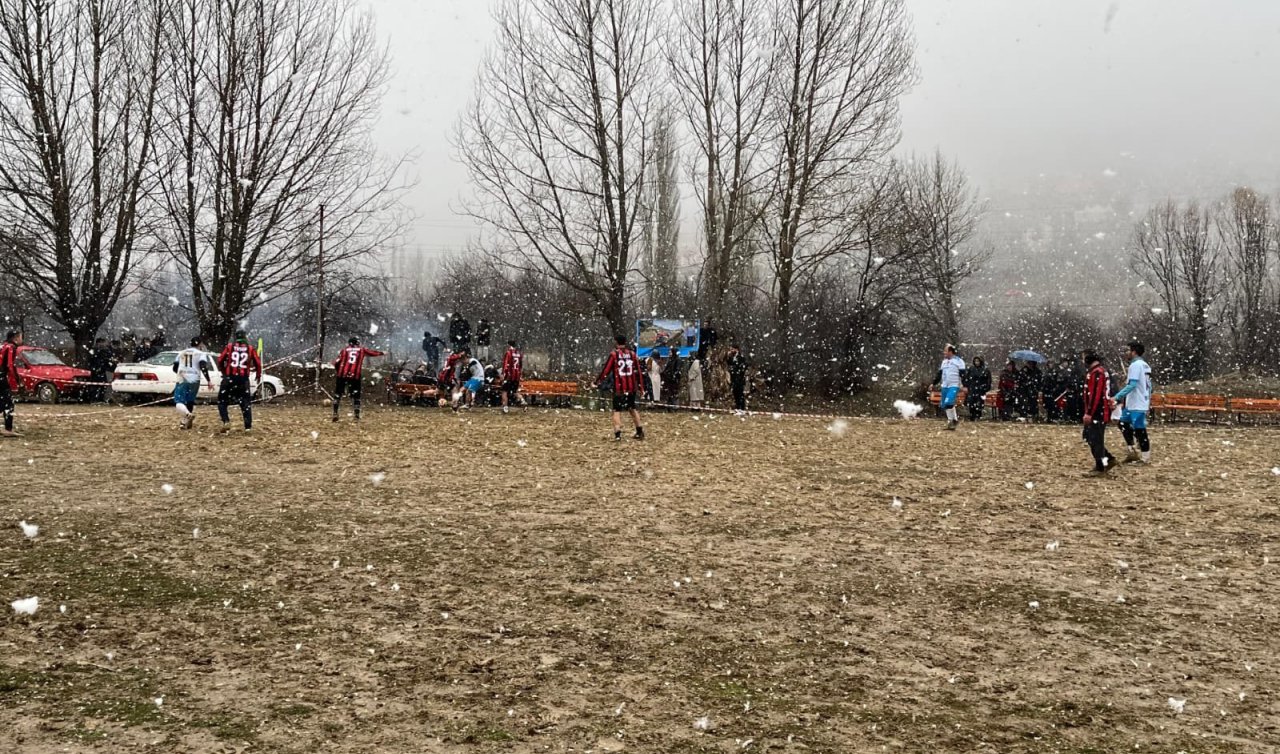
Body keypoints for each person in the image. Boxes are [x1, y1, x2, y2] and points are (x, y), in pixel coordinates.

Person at [595, 334, 645, 441]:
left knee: (616, 410)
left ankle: (618, 434)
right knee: (632, 409)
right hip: (631, 388)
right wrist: (641, 387)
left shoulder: (614, 355)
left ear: (616, 342)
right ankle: (639, 431)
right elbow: (639, 373)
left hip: (619, 389)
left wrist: (597, 382)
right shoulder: (632, 354)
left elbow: (605, 371)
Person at [1114, 340, 1153, 464]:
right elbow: (1149, 385)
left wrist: (1117, 397)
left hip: (1137, 403)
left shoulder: (1135, 365)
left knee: (1140, 429)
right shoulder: (1144, 365)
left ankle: (1145, 457)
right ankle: (1132, 450)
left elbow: (1132, 385)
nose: (1126, 353)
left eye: (1128, 350)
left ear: (1134, 352)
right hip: (1135, 402)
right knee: (1122, 424)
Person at [216, 330, 262, 433]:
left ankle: (226, 421)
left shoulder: (229, 347)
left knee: (222, 401)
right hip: (243, 379)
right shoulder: (250, 348)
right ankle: (248, 427)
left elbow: (220, 360)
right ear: (245, 337)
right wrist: (258, 375)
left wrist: (224, 372)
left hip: (229, 378)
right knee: (245, 403)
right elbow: (258, 363)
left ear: (236, 337)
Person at [332, 336, 385, 423]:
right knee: (356, 396)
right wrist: (382, 353)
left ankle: (335, 413)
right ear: (357, 343)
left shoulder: (344, 350)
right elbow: (372, 353)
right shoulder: (361, 350)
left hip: (342, 375)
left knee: (338, 394)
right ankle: (356, 416)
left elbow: (336, 362)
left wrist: (339, 372)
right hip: (355, 376)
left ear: (349, 343)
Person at [1082, 350, 1116, 475]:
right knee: (1090, 436)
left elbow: (1096, 394)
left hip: (1098, 411)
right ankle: (1107, 459)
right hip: (1098, 410)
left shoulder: (1098, 373)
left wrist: (1089, 413)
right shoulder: (1098, 371)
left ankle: (1101, 465)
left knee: (1095, 438)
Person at [172, 338, 213, 430]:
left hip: (182, 378)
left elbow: (174, 368)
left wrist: (182, 372)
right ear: (200, 344)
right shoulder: (201, 354)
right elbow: (203, 367)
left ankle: (187, 415)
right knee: (190, 401)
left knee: (179, 401)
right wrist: (208, 381)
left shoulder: (182, 352)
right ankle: (184, 422)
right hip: (195, 379)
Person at [934, 344, 966, 430]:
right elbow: (939, 374)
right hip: (945, 385)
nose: (944, 353)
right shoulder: (944, 362)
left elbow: (963, 375)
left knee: (949, 403)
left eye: (946, 351)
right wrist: (933, 383)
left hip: (954, 385)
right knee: (945, 405)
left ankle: (953, 420)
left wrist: (965, 385)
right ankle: (952, 421)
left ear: (950, 352)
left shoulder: (959, 361)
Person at [0, 331, 22, 438]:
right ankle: (8, 429)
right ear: (15, 338)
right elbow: (10, 365)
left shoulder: (3, 345)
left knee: (3, 402)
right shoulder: (11, 347)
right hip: (1, 377)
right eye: (20, 337)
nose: (21, 339)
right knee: (8, 403)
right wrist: (17, 378)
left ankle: (8, 428)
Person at [962, 355, 991, 421]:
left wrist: (985, 388)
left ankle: (977, 416)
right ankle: (972, 416)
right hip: (972, 389)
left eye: (978, 361)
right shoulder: (971, 369)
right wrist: (966, 386)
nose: (976, 362)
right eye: (975, 361)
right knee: (971, 403)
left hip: (981, 390)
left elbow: (988, 381)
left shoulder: (985, 370)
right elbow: (966, 378)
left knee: (979, 404)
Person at [88, 337, 116, 403]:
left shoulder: (106, 351)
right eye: (102, 343)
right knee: (95, 386)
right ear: (98, 343)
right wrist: (94, 368)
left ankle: (101, 398)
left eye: (104, 343)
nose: (103, 344)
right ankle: (94, 399)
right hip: (95, 371)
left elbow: (108, 360)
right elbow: (91, 360)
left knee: (103, 385)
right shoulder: (94, 351)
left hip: (103, 370)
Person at [500, 340, 524, 414]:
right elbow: (520, 366)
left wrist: (503, 374)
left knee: (504, 391)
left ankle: (505, 407)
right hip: (516, 376)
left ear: (508, 345)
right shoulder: (519, 353)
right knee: (514, 391)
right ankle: (523, 400)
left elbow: (506, 365)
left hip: (509, 376)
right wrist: (520, 375)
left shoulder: (508, 353)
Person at [727, 344, 749, 412]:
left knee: (740, 394)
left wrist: (738, 372)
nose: (731, 351)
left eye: (733, 349)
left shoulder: (741, 357)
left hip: (739, 379)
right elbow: (729, 364)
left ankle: (741, 408)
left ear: (737, 349)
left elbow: (743, 367)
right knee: (735, 393)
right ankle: (737, 407)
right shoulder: (732, 357)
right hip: (733, 378)